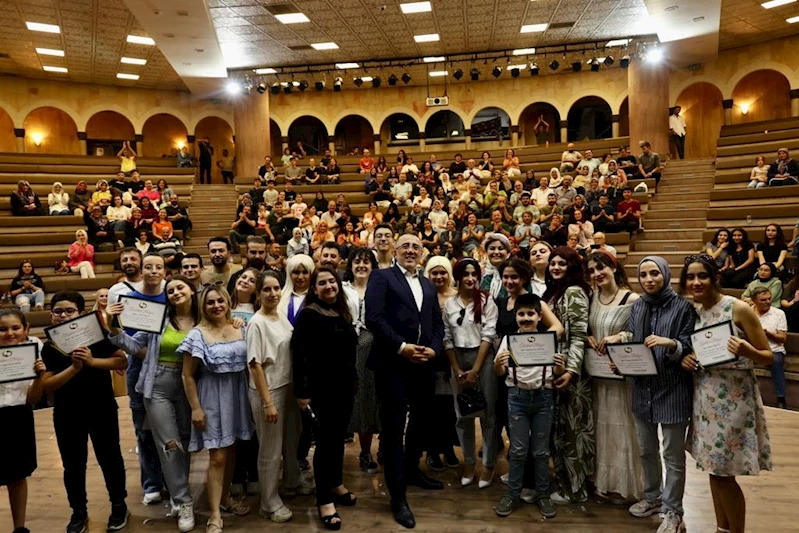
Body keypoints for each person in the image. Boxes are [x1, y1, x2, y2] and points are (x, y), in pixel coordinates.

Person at [681, 256, 773, 533]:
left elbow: (768, 356)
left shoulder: (739, 308)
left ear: (715, 278)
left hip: (734, 398)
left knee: (723, 474)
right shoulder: (693, 311)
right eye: (691, 277)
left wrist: (748, 351)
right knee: (713, 469)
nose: (696, 282)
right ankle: (722, 528)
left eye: (702, 276)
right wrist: (688, 359)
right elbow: (696, 349)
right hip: (705, 396)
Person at [106, 275, 199, 532]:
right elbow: (134, 346)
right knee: (169, 444)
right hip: (157, 385)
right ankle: (184, 500)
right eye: (170, 291)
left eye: (180, 287)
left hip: (191, 387)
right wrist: (113, 326)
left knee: (186, 441)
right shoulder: (159, 319)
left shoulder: (204, 320)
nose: (175, 293)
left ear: (191, 290)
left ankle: (180, 491)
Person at [365, 233, 445, 529]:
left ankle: (412, 471)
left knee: (421, 422)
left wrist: (435, 349)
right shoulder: (381, 277)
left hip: (424, 364)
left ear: (422, 252)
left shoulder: (427, 283)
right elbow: (374, 318)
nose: (411, 250)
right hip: (394, 364)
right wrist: (402, 347)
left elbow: (436, 322)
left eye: (416, 246)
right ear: (395, 251)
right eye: (405, 246)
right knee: (394, 427)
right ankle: (397, 496)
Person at [41, 291, 129, 533]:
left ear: (80, 313)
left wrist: (91, 362)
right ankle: (78, 510)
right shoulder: (49, 346)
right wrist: (74, 367)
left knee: (110, 458)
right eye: (58, 311)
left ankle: (119, 504)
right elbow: (47, 385)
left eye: (70, 311)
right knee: (73, 464)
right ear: (52, 315)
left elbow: (121, 361)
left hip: (101, 406)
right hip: (67, 412)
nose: (63, 315)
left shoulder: (97, 336)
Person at [626, 256, 695, 533]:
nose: (649, 279)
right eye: (643, 275)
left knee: (673, 455)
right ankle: (652, 498)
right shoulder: (638, 305)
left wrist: (672, 344)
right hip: (642, 390)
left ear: (666, 274)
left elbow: (691, 344)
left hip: (673, 389)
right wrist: (621, 359)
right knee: (646, 450)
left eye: (654, 273)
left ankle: (673, 510)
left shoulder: (683, 306)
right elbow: (632, 339)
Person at [178, 285, 254, 532]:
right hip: (211, 396)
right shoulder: (197, 335)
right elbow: (187, 376)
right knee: (217, 457)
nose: (216, 306)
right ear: (203, 306)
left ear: (227, 302)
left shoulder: (239, 327)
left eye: (220, 301)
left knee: (231, 450)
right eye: (210, 302)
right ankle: (213, 515)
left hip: (237, 394)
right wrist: (196, 409)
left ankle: (224, 499)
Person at [292, 266, 358, 530]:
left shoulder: (341, 311)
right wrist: (302, 393)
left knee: (338, 439)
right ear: (314, 288)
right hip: (321, 390)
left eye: (333, 281)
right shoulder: (309, 314)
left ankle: (336, 483)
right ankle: (324, 500)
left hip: (344, 388)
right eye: (323, 283)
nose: (329, 286)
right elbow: (299, 356)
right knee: (326, 443)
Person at [247, 271, 311, 523]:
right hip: (269, 390)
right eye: (267, 290)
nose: (273, 294)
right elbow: (255, 365)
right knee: (270, 450)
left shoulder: (280, 316)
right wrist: (268, 402)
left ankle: (292, 481)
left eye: (276, 289)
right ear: (258, 293)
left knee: (291, 441)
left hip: (288, 386)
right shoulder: (257, 322)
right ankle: (269, 501)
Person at [492, 294, 560, 518]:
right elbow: (499, 373)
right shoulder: (509, 340)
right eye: (521, 314)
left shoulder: (548, 340)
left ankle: (542, 494)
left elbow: (556, 374)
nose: (526, 318)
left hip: (543, 398)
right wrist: (499, 365)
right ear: (516, 316)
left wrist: (561, 366)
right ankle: (513, 493)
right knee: (518, 450)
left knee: (541, 451)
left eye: (531, 314)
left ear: (540, 317)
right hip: (517, 397)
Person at [586, 251, 644, 504]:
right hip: (598, 375)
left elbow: (641, 334)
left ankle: (625, 487)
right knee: (601, 427)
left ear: (613, 267)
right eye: (591, 270)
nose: (597, 274)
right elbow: (590, 329)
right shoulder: (592, 298)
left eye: (601, 268)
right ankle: (603, 483)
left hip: (621, 374)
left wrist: (618, 338)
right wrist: (589, 337)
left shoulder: (633, 298)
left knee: (623, 428)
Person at [543, 247, 594, 504]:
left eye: (561, 263)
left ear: (572, 266)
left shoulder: (574, 291)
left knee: (573, 431)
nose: (555, 267)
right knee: (559, 430)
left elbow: (578, 337)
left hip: (572, 374)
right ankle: (563, 480)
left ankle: (575, 488)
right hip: (556, 368)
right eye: (552, 263)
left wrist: (572, 371)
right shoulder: (554, 291)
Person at [443, 258, 499, 488]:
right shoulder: (450, 304)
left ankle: (488, 464)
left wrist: (475, 369)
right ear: (458, 277)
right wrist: (457, 369)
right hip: (457, 357)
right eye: (465, 274)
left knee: (488, 415)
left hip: (482, 358)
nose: (470, 278)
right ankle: (468, 462)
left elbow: (488, 334)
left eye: (474, 274)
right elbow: (446, 337)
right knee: (462, 415)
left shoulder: (486, 300)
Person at [0, 309, 47, 533]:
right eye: (2, 329)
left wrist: (38, 377)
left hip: (19, 416)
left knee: (17, 475)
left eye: (15, 328)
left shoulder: (35, 349)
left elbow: (34, 398)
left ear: (26, 329)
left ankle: (20, 528)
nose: (9, 333)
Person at [341, 249, 382, 474]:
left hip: (375, 348)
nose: (361, 266)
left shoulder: (380, 288)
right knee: (352, 398)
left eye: (366, 262)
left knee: (373, 397)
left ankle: (372, 449)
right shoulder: (342, 289)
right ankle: (356, 450)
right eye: (357, 261)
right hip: (348, 347)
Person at [423, 257, 460, 471]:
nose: (438, 277)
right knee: (430, 407)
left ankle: (449, 448)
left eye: (442, 272)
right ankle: (432, 450)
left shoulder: (456, 297)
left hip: (452, 358)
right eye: (434, 273)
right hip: (429, 358)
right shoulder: (424, 296)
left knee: (449, 407)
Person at [750, 286, 789, 409]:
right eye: (763, 300)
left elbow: (782, 338)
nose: (768, 302)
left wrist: (768, 334)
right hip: (752, 349)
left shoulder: (778, 314)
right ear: (754, 300)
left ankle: (781, 398)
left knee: (776, 362)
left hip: (774, 349)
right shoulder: (748, 313)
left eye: (769, 299)